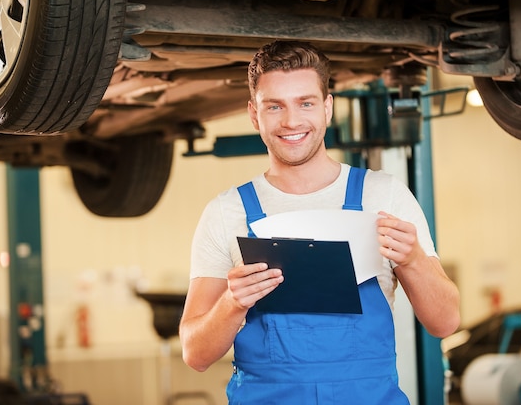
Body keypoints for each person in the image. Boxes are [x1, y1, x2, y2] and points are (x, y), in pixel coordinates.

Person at [179, 40, 460, 404]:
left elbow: (446, 322)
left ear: (327, 108)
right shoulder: (226, 212)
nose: (291, 121)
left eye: (306, 103)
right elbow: (195, 354)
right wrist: (232, 303)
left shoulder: (383, 196)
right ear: (254, 114)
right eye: (274, 106)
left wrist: (414, 260)